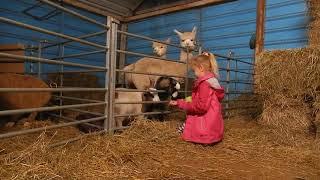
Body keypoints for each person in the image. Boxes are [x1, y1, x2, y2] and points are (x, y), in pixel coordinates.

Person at [169, 52, 225, 144]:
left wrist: (181, 104)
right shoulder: (212, 81)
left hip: (204, 129)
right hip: (212, 127)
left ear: (201, 68)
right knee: (183, 126)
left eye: (194, 70)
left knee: (181, 130)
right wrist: (183, 101)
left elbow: (201, 107)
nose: (194, 74)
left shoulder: (204, 84)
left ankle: (193, 134)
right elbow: (198, 99)